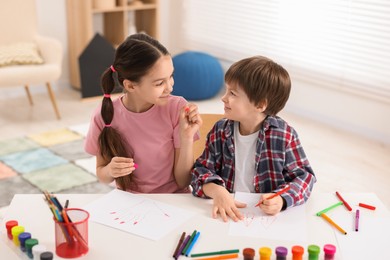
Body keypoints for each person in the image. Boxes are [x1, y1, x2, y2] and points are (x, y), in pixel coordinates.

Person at [191, 56, 316, 221]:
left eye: (233, 93)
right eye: (226, 90)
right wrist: (217, 191)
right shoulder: (220, 130)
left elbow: (305, 177)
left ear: (260, 105)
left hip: (263, 218)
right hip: (226, 214)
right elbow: (200, 170)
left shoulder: (284, 135)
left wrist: (281, 199)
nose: (224, 98)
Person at [84, 33, 202, 193]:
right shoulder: (105, 115)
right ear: (131, 86)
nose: (170, 87)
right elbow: (102, 174)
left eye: (171, 76)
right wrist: (111, 170)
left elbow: (183, 181)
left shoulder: (177, 108)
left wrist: (186, 138)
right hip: (131, 203)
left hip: (173, 201)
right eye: (160, 83)